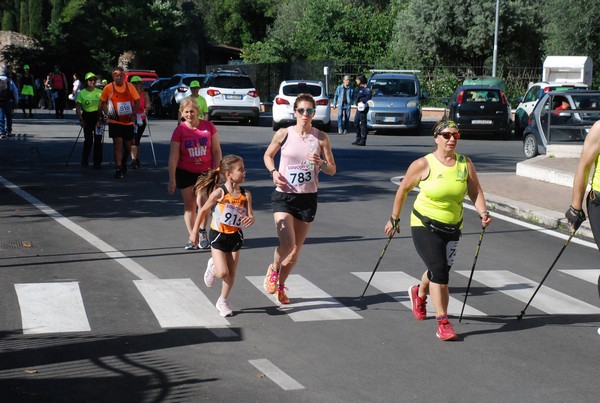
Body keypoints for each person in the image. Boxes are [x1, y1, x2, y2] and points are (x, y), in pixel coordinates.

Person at [383, 119, 492, 341]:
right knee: (440, 271)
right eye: (446, 135)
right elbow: (403, 190)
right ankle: (442, 321)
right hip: (424, 224)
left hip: (453, 226)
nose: (452, 139)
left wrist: (483, 212)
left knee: (439, 271)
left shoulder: (465, 164)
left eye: (456, 135)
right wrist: (394, 218)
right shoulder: (423, 164)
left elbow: (475, 191)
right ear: (436, 138)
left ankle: (418, 292)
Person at [263, 93, 337, 304]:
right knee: (287, 243)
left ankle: (280, 285)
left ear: (314, 113)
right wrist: (274, 172)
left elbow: (332, 169)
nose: (305, 114)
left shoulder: (321, 137)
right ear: (295, 112)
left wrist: (321, 163)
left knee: (295, 252)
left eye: (309, 111)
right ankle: (274, 268)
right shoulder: (283, 134)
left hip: (308, 198)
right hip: (284, 195)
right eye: (301, 110)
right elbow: (268, 155)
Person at [190, 155, 254, 316]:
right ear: (228, 174)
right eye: (240, 170)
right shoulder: (219, 193)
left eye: (244, 169)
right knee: (222, 273)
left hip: (235, 236)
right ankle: (212, 267)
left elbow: (250, 215)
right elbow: (203, 211)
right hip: (218, 235)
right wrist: (194, 232)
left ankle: (223, 301)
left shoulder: (246, 195)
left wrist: (250, 219)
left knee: (232, 272)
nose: (244, 172)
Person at [168, 97, 222, 250]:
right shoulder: (180, 130)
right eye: (186, 112)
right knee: (189, 206)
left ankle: (202, 231)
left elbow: (216, 150)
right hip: (185, 171)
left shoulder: (208, 127)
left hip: (205, 172)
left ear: (198, 111)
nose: (190, 114)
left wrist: (218, 171)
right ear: (182, 113)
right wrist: (172, 179)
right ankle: (193, 236)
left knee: (202, 200)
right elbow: (173, 156)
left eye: (192, 111)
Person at [98, 66, 140, 179]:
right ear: (113, 76)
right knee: (117, 144)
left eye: (121, 75)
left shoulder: (130, 86)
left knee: (128, 146)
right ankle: (118, 168)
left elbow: (137, 101)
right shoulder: (108, 88)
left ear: (124, 76)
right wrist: (101, 117)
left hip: (128, 122)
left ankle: (123, 163)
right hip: (114, 121)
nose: (119, 77)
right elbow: (101, 103)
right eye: (117, 75)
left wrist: (134, 113)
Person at [76, 72, 103, 168]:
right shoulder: (82, 93)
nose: (93, 82)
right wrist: (80, 119)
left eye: (94, 80)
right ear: (87, 81)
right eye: (90, 80)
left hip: (98, 117)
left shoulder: (99, 92)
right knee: (88, 140)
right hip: (87, 117)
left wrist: (107, 114)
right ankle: (84, 160)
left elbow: (104, 105)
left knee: (98, 140)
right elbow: (78, 107)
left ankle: (97, 162)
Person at [128, 76, 151, 169]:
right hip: (131, 118)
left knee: (137, 139)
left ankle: (136, 158)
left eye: (139, 83)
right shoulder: (129, 94)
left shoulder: (144, 94)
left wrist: (147, 108)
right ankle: (134, 159)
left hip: (141, 118)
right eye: (135, 83)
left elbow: (148, 104)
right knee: (132, 139)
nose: (137, 85)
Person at [0, 65, 19, 139]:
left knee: (1, 116)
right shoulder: (9, 80)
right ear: (5, 71)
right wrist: (16, 101)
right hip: (8, 100)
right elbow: (15, 92)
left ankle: (2, 132)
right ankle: (8, 131)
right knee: (8, 116)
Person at [352, 74, 371, 146]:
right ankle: (358, 138)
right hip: (359, 108)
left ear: (361, 80)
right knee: (355, 122)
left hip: (363, 108)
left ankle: (363, 140)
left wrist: (363, 101)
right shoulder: (360, 88)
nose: (356, 81)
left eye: (357, 79)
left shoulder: (366, 88)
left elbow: (369, 96)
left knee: (363, 124)